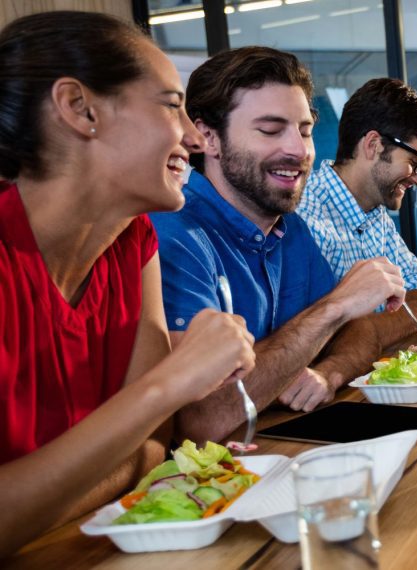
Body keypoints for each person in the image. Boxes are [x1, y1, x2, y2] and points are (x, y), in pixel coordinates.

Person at [0, 12, 256, 557]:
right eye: (171, 105)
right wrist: (172, 382)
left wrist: (42, 498)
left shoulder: (133, 241)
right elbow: (141, 444)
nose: (193, 136)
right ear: (79, 109)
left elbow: (153, 444)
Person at [151, 46, 406, 439]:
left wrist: (327, 372)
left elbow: (359, 332)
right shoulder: (173, 236)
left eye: (304, 130)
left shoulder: (291, 231)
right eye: (271, 130)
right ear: (208, 138)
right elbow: (204, 419)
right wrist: (333, 307)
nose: (299, 150)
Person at [296, 77, 417, 373]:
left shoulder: (376, 215)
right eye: (415, 163)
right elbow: (334, 339)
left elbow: (415, 292)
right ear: (374, 145)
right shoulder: (307, 218)